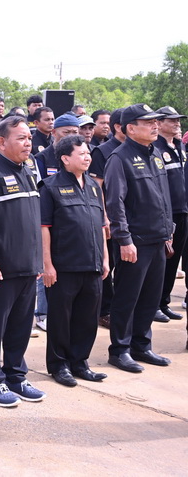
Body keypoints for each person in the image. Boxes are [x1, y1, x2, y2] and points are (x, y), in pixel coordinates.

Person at [0, 116, 46, 407]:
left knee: (21, 326)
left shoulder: (28, 170)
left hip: (28, 265)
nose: (28, 143)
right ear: (1, 142)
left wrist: (38, 260)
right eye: (21, 138)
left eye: (29, 138)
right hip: (1, 268)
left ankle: (16, 376)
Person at [104, 104, 172, 373]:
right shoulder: (119, 158)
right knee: (127, 297)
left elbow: (164, 196)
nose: (155, 126)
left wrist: (168, 231)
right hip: (135, 241)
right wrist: (124, 239)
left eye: (156, 122)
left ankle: (141, 345)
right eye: (148, 122)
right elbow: (115, 202)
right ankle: (120, 350)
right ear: (131, 128)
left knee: (150, 297)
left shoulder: (155, 154)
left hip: (158, 237)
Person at [40, 135, 109, 386]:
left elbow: (101, 225)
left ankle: (80, 362)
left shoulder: (93, 185)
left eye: (88, 153)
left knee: (87, 318)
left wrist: (105, 257)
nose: (88, 157)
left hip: (92, 263)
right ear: (65, 159)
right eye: (81, 154)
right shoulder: (50, 187)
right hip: (64, 266)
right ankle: (59, 365)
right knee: (61, 319)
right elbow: (43, 227)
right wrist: (47, 264)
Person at [89, 108, 125, 329]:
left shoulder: (138, 150)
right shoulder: (103, 151)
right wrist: (104, 218)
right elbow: (97, 187)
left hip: (129, 220)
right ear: (120, 127)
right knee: (107, 265)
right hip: (110, 218)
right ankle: (104, 310)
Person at [153, 106, 187, 322]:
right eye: (171, 120)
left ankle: (164, 302)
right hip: (167, 212)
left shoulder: (179, 145)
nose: (176, 123)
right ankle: (153, 304)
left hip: (183, 210)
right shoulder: (155, 147)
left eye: (178, 120)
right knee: (161, 262)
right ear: (159, 123)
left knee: (173, 262)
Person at [35, 112, 80, 181]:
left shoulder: (81, 157)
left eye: (75, 132)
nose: (71, 136)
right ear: (54, 132)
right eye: (66, 132)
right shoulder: (42, 158)